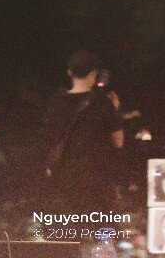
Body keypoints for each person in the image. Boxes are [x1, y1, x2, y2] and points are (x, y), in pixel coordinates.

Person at [41, 49, 124, 217]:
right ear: (94, 74)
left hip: (62, 180)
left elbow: (48, 138)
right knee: (97, 230)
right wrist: (115, 112)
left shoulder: (54, 102)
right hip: (95, 180)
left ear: (69, 72)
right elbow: (118, 142)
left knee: (68, 233)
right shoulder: (103, 103)